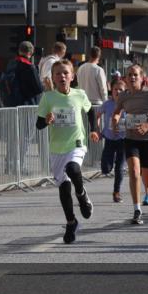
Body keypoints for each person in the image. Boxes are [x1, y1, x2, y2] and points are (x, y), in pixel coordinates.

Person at [36, 60, 98, 244]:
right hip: (57, 148)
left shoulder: (80, 95)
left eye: (65, 73)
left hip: (76, 143)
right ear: (53, 78)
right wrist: (47, 120)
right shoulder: (48, 98)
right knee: (63, 188)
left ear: (72, 76)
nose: (62, 76)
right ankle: (71, 222)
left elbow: (91, 112)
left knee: (73, 168)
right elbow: (39, 124)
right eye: (58, 74)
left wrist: (93, 129)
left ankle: (81, 194)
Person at [112, 64, 148, 225]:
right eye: (129, 74)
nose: (132, 77)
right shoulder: (123, 96)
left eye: (135, 74)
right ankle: (137, 209)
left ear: (142, 78)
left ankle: (147, 191)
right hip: (130, 138)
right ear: (125, 78)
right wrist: (115, 121)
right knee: (134, 171)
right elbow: (117, 112)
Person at [97, 79, 128, 203]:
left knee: (119, 168)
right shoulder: (107, 104)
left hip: (123, 139)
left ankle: (116, 192)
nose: (118, 91)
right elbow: (98, 115)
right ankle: (108, 165)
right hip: (109, 138)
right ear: (112, 90)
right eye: (116, 89)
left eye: (121, 90)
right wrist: (97, 130)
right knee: (106, 168)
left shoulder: (128, 104)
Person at [0, 41, 44, 107]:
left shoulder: (10, 65)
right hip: (26, 107)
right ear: (31, 53)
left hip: (11, 105)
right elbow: (39, 89)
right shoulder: (29, 67)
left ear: (19, 50)